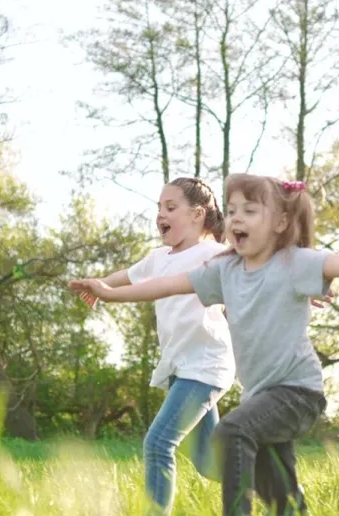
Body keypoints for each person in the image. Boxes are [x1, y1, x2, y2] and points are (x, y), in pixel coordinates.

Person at [70, 173, 339, 516]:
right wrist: (110, 293)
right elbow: (168, 284)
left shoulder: (292, 262)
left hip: (298, 392)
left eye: (250, 211)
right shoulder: (225, 270)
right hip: (260, 397)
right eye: (232, 210)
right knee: (281, 497)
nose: (236, 219)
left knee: (232, 432)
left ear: (280, 223)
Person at [76, 177, 234, 516]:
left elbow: (257, 273)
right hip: (181, 366)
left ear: (197, 214)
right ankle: (275, 486)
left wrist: (303, 289)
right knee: (209, 464)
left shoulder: (215, 253)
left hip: (206, 365)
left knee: (159, 443)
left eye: (170, 207)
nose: (161, 214)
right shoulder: (159, 256)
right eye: (159, 208)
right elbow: (128, 276)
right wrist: (99, 286)